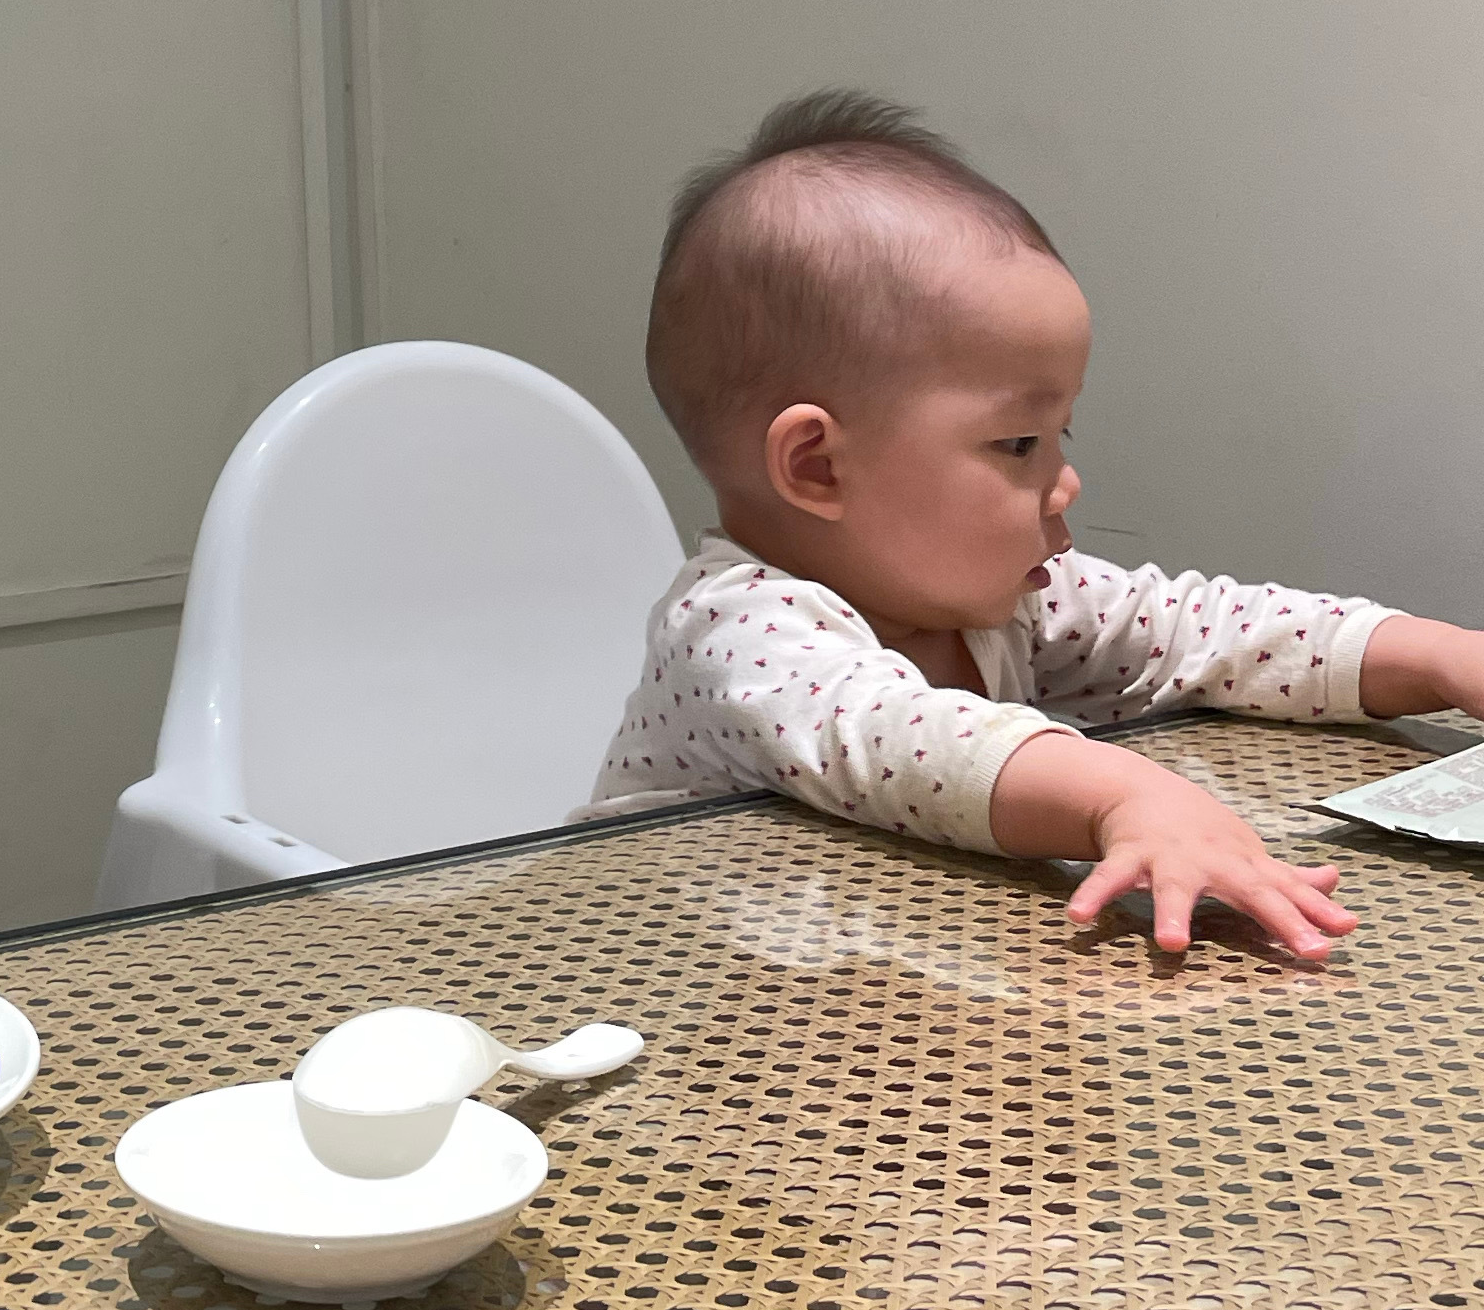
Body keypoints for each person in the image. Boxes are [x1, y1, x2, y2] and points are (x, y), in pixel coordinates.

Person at [588, 89, 1484, 957]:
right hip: (660, 1003)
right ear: (818, 466)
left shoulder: (1000, 596)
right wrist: (1126, 796)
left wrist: (1442, 657)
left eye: (1061, 435)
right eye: (1018, 443)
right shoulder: (736, 632)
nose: (1065, 483)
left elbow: (1206, 631)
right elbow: (909, 740)